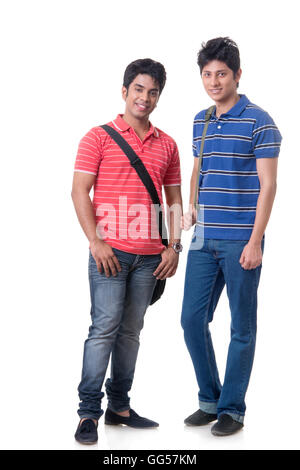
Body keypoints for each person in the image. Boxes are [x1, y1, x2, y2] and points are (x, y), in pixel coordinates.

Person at [71, 58, 182, 444]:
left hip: (151, 258)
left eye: (153, 92)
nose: (145, 98)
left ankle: (119, 407)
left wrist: (174, 246)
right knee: (103, 330)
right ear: (124, 91)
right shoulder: (97, 137)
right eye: (139, 89)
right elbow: (78, 191)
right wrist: (96, 241)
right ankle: (89, 413)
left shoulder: (167, 144)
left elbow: (173, 200)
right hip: (110, 254)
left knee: (131, 333)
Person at [181, 37, 282, 436]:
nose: (213, 81)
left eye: (221, 74)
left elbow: (268, 185)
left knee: (241, 326)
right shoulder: (200, 120)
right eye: (207, 74)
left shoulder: (260, 121)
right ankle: (210, 399)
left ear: (237, 75)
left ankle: (232, 410)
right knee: (192, 320)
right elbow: (198, 169)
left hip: (243, 239)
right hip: (204, 240)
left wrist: (256, 240)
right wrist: (190, 205)